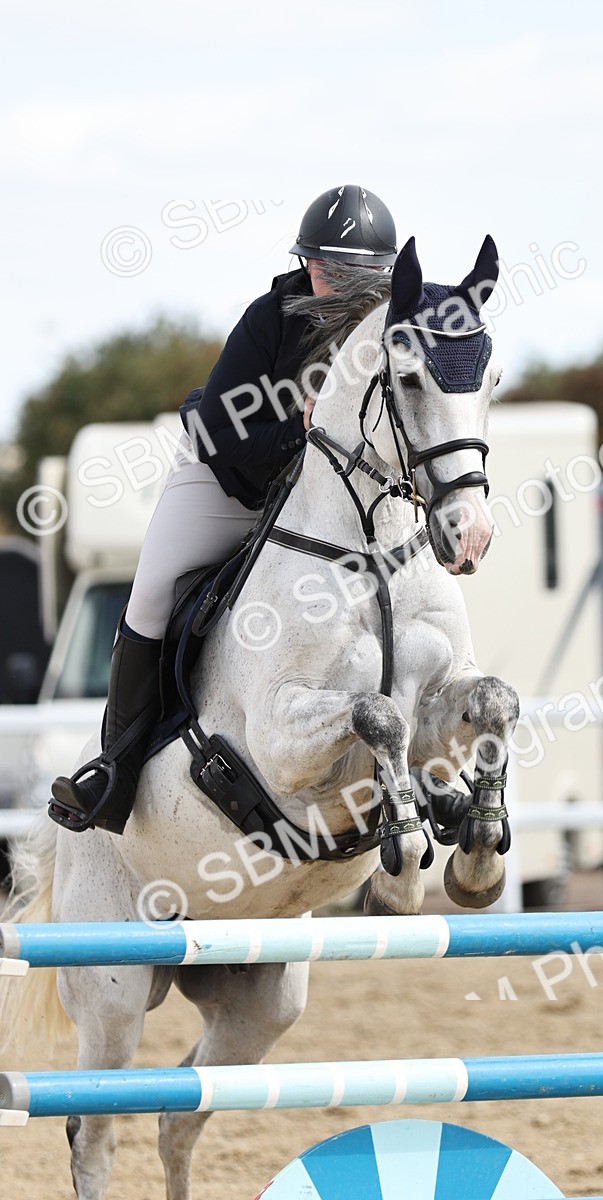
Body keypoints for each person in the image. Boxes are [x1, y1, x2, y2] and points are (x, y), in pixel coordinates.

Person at [49, 185, 398, 836]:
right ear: (308, 265)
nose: (337, 284)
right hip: (229, 484)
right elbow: (217, 434)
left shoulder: (387, 334)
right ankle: (116, 772)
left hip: (322, 505)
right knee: (151, 590)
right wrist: (306, 432)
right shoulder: (272, 318)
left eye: (355, 275)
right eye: (326, 270)